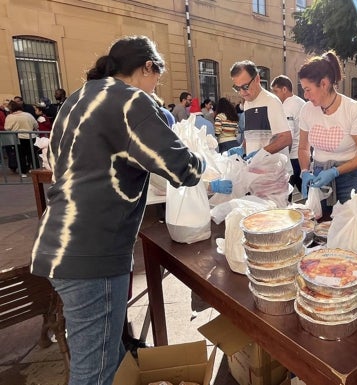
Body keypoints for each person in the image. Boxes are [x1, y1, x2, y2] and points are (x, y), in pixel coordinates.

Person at [29, 35, 226, 385]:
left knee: (112, 353)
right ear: (147, 67)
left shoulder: (78, 99)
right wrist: (205, 162)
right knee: (96, 374)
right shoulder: (130, 101)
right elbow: (182, 167)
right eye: (156, 78)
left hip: (57, 245)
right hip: (92, 253)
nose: (155, 88)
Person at [297, 50, 357, 213]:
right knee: (320, 224)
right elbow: (303, 147)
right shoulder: (307, 110)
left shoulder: (353, 110)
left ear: (324, 84)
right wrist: (304, 171)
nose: (305, 95)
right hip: (319, 175)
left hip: (351, 177)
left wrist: (335, 171)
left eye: (308, 89)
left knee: (349, 226)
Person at [228, 60, 292, 165]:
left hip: (274, 171)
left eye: (245, 87)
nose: (242, 92)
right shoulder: (247, 104)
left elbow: (286, 138)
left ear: (257, 79)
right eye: (237, 88)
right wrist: (242, 148)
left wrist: (262, 153)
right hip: (257, 169)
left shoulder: (271, 102)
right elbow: (251, 135)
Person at [271, 75, 306, 193]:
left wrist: (282, 160)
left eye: (276, 91)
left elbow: (287, 137)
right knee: (307, 193)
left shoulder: (286, 106)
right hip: (303, 156)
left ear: (284, 89)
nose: (274, 95)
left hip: (292, 158)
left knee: (285, 196)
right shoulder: (301, 102)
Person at [5, 100, 38, 176]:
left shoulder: (10, 117)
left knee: (21, 155)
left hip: (18, 137)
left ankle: (23, 172)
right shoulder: (28, 115)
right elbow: (36, 125)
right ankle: (36, 171)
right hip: (31, 137)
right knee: (32, 155)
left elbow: (7, 128)